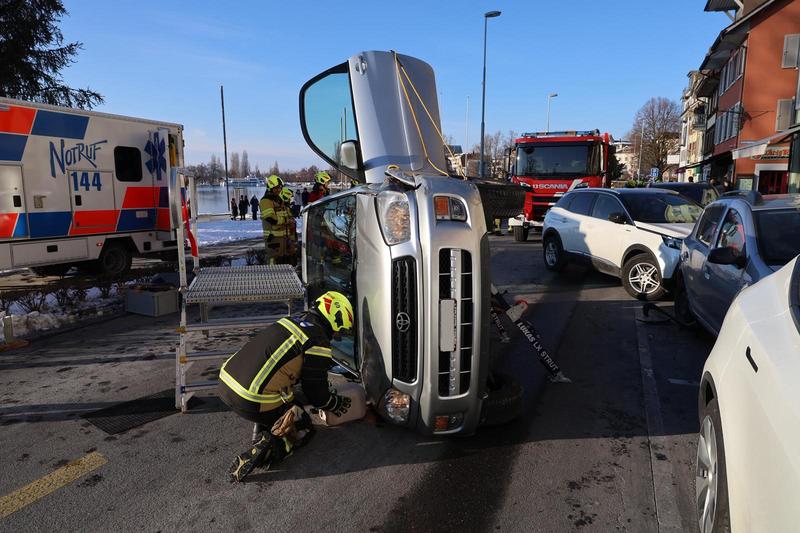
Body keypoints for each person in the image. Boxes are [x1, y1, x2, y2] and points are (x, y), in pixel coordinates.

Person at [220, 291, 354, 482]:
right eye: (339, 332)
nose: (336, 336)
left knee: (288, 395)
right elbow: (316, 394)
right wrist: (335, 403)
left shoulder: (292, 320)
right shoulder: (318, 341)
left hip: (226, 383)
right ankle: (271, 446)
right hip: (250, 399)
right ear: (334, 320)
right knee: (304, 427)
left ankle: (267, 424)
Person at [260, 175, 288, 264]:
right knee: (273, 261)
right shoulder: (266, 201)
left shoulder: (278, 201)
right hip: (272, 239)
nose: (279, 190)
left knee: (281, 261)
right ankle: (271, 277)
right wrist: (286, 221)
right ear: (270, 188)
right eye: (276, 188)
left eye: (280, 188)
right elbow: (270, 218)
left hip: (281, 238)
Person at [279, 187, 298, 266]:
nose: (290, 200)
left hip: (290, 236)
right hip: (285, 237)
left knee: (291, 257)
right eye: (289, 199)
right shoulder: (281, 208)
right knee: (285, 258)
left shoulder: (287, 208)